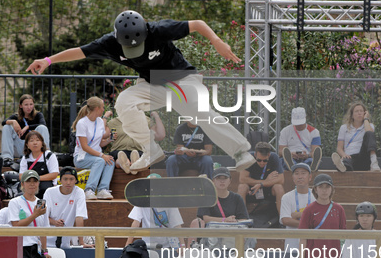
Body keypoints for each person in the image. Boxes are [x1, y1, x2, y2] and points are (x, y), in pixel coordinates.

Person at [26, 10, 255, 173]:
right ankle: (151, 150)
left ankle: (241, 151)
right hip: (151, 85)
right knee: (124, 101)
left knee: (199, 111)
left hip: (183, 80)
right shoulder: (108, 43)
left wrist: (216, 40)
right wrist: (48, 60)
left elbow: (196, 24)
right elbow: (80, 51)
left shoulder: (158, 29)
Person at [298, 174, 347, 258]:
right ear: (315, 189)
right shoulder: (309, 210)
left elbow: (343, 236)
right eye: (321, 187)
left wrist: (343, 257)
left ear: (332, 189)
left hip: (333, 257)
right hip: (312, 257)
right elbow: (303, 238)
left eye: (327, 187)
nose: (324, 190)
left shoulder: (339, 209)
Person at [8, 169, 54, 258]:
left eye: (35, 181)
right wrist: (35, 215)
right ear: (23, 184)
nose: (32, 184)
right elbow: (16, 225)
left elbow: (43, 231)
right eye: (29, 181)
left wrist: (45, 252)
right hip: (21, 249)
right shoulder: (15, 202)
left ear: (38, 183)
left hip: (36, 249)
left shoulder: (41, 205)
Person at [126, 174, 185, 249]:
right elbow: (135, 224)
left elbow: (177, 224)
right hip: (148, 245)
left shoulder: (169, 202)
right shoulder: (141, 202)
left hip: (168, 245)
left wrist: (182, 245)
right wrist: (127, 245)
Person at [71, 97, 114, 200]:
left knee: (110, 161)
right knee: (100, 161)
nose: (104, 110)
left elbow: (99, 143)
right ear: (97, 108)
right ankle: (89, 190)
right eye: (103, 107)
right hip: (81, 157)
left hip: (96, 156)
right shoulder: (82, 123)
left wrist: (109, 140)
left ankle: (102, 190)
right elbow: (84, 146)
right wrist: (102, 155)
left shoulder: (99, 121)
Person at [44, 166, 93, 249]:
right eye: (65, 179)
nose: (68, 182)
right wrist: (55, 222)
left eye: (71, 179)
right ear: (60, 180)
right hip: (46, 240)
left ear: (76, 181)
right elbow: (43, 217)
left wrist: (81, 243)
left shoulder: (79, 192)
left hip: (64, 242)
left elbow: (79, 217)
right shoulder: (49, 192)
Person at [104, 109, 165, 174]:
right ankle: (130, 165)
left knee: (135, 155)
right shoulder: (115, 122)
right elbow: (102, 135)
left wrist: (156, 117)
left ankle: (132, 163)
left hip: (138, 150)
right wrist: (105, 117)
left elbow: (160, 135)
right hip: (119, 150)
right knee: (120, 157)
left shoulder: (145, 120)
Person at [1, 94, 50, 168]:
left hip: (34, 147)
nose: (29, 107)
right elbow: (3, 122)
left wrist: (27, 127)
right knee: (6, 127)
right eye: (26, 105)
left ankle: (45, 154)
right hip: (20, 147)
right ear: (21, 106)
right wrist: (13, 122)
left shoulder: (38, 115)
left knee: (42, 128)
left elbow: (43, 124)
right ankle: (7, 158)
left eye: (31, 104)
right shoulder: (16, 117)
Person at [331, 101, 381, 172]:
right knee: (347, 163)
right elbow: (339, 148)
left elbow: (370, 133)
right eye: (356, 111)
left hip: (363, 157)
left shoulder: (369, 125)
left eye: (361, 111)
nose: (359, 113)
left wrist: (366, 119)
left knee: (369, 133)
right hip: (350, 156)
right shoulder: (344, 128)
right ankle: (342, 165)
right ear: (352, 115)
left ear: (365, 113)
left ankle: (374, 162)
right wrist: (344, 155)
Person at [237, 141, 285, 214]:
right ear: (255, 154)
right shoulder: (248, 158)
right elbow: (242, 179)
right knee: (242, 187)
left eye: (265, 160)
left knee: (279, 188)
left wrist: (262, 184)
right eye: (259, 160)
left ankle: (282, 219)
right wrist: (265, 181)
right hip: (252, 189)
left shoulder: (274, 157)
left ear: (269, 155)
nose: (262, 163)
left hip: (268, 189)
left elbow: (281, 180)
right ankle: (242, 217)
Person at [279, 163, 315, 252]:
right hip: (292, 245)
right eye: (296, 173)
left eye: (303, 173)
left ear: (310, 177)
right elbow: (285, 220)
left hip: (313, 245)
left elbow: (319, 218)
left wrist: (297, 215)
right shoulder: (287, 197)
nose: (300, 176)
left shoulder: (316, 196)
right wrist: (308, 223)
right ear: (293, 178)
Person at [278, 107, 322, 172]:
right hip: (291, 157)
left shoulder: (314, 132)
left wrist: (307, 155)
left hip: (307, 157)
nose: (299, 125)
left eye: (301, 123)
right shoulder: (285, 131)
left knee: (311, 161)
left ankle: (295, 167)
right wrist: (291, 154)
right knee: (283, 161)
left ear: (305, 118)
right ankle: (294, 165)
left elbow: (315, 151)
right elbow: (281, 151)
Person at [18, 130, 59, 199]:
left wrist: (37, 179)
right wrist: (31, 180)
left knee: (44, 189)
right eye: (31, 141)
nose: (35, 143)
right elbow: (21, 176)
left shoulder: (49, 156)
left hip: (46, 182)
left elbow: (54, 174)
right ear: (27, 145)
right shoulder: (26, 158)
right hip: (29, 181)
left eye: (37, 140)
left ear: (42, 143)